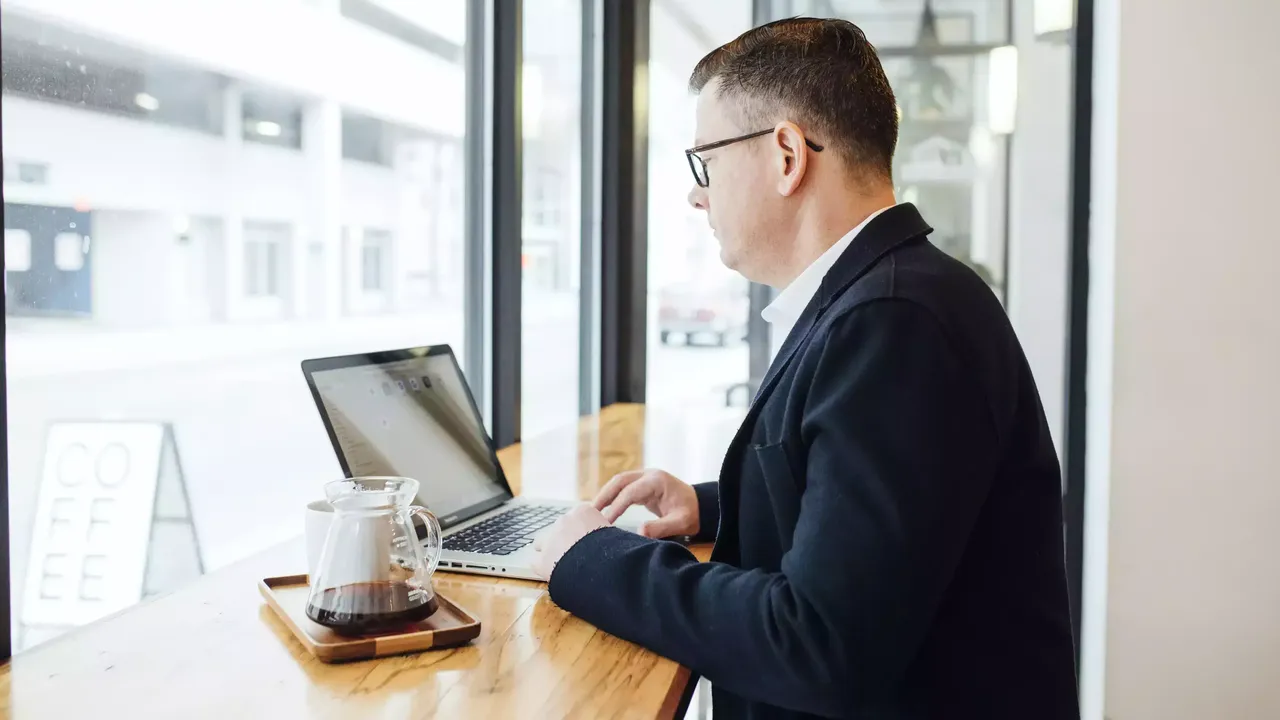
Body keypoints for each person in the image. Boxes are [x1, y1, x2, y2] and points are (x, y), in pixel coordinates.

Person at [531, 17, 1079, 719]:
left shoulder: (894, 322)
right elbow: (880, 512)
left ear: (787, 154)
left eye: (709, 161)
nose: (697, 195)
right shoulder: (894, 293)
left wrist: (593, 559)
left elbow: (818, 642)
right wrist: (712, 504)